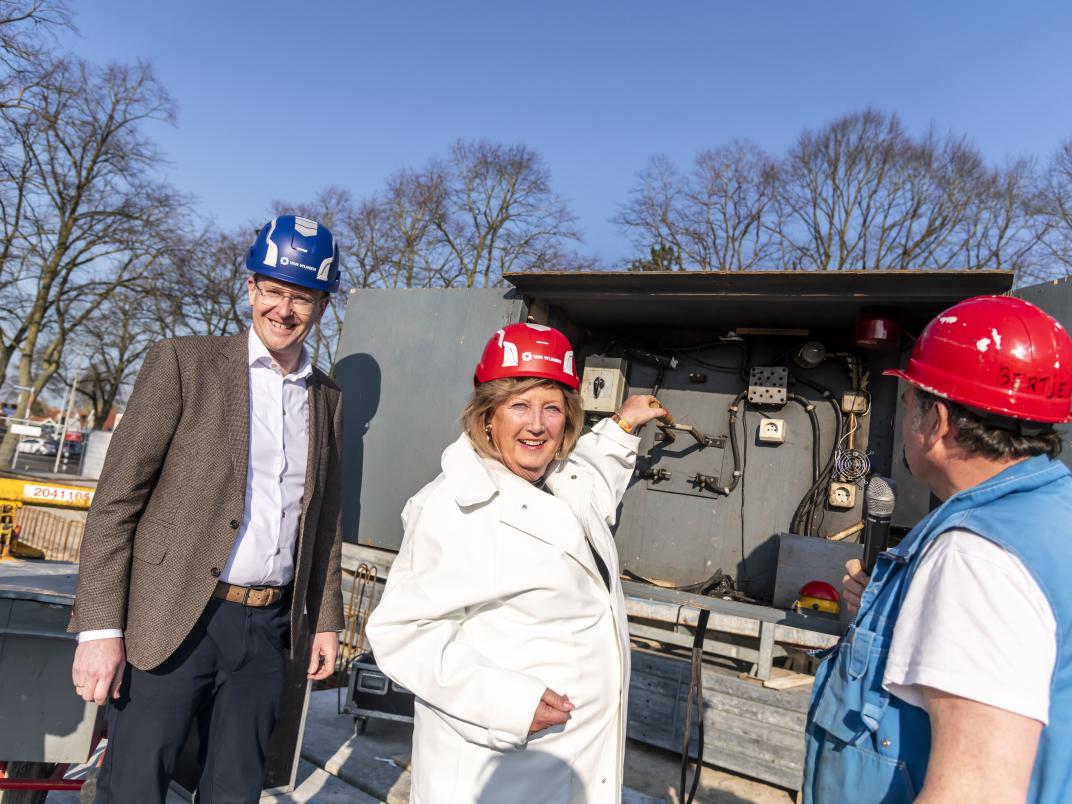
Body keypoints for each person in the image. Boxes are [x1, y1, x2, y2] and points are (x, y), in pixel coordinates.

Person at [69, 215, 346, 804]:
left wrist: (324, 618)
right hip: (173, 619)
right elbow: (116, 502)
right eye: (273, 289)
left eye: (301, 295)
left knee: (234, 791)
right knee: (135, 787)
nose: (284, 309)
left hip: (266, 629)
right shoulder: (181, 364)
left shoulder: (327, 398)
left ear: (321, 305)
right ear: (250, 289)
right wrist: (98, 628)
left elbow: (322, 523)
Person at [366, 322, 665, 804]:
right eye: (519, 405)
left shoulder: (563, 482)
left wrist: (622, 427)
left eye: (552, 408)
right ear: (488, 415)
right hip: (498, 765)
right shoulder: (453, 507)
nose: (536, 423)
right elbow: (402, 632)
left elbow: (593, 482)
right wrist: (510, 703)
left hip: (574, 762)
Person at [803, 295, 1072, 804]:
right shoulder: (1048, 512)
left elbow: (976, 790)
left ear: (937, 421)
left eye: (907, 404)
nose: (905, 420)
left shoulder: (977, 556)